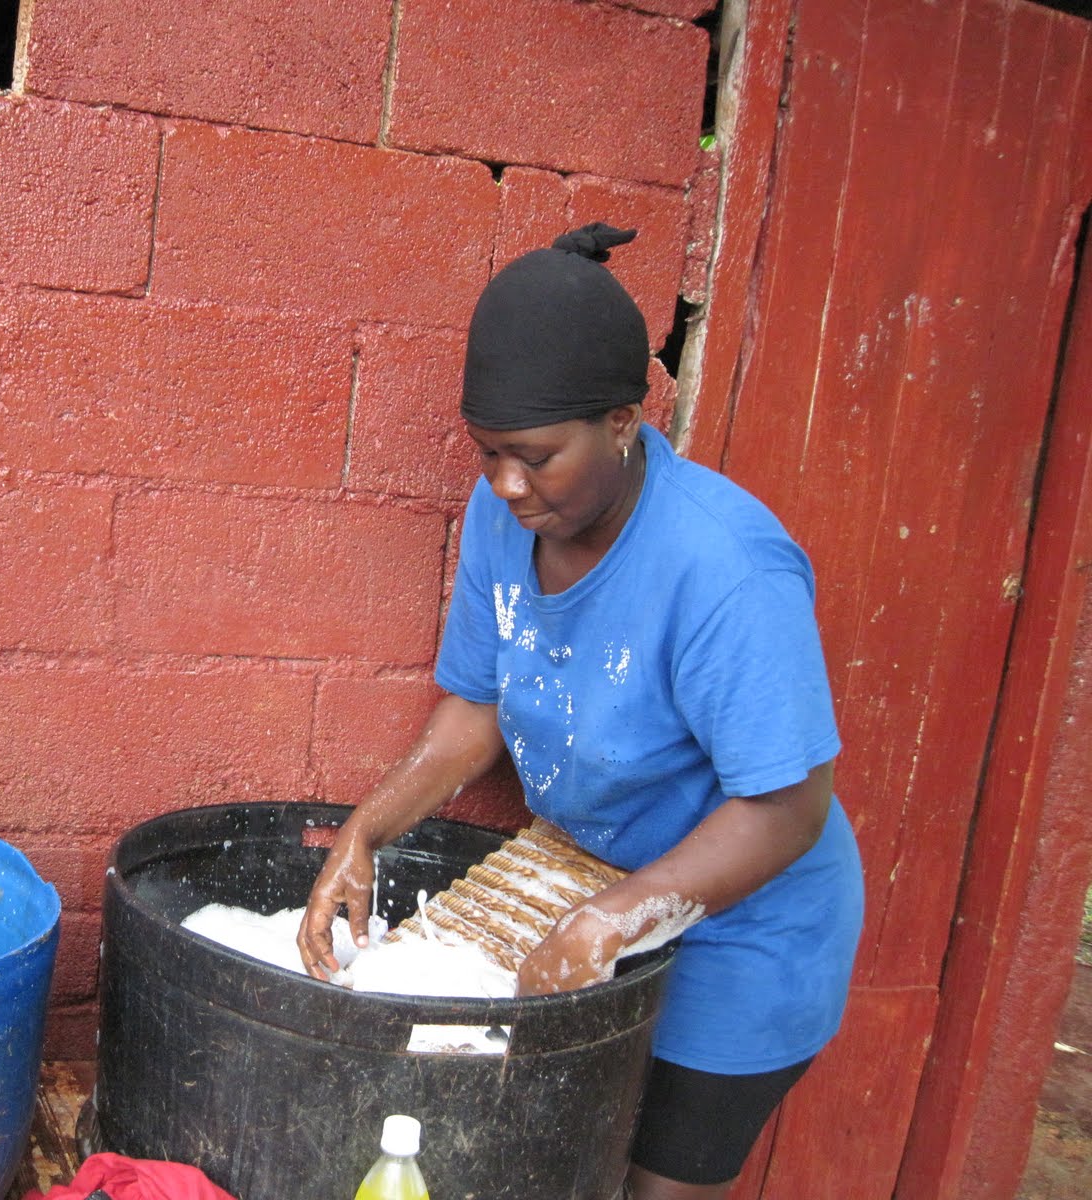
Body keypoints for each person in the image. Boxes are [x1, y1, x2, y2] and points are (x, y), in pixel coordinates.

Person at [296, 225, 864, 1200]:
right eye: (487, 455)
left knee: (651, 1186)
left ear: (621, 422)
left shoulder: (724, 570)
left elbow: (786, 810)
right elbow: (475, 708)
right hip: (586, 881)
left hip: (741, 932)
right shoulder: (505, 519)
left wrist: (611, 920)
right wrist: (366, 832)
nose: (506, 485)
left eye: (536, 457)